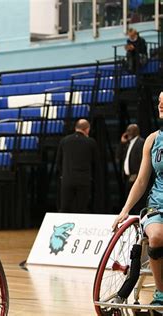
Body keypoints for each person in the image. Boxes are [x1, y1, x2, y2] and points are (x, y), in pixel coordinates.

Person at [113, 92, 163, 307]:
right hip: (157, 206)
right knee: (157, 237)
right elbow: (142, 180)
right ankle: (161, 293)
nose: (160, 105)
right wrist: (125, 209)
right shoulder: (153, 139)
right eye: (159, 101)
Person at [56, 119, 99, 213]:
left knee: (65, 208)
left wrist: (63, 175)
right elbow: (96, 162)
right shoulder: (91, 142)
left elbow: (58, 161)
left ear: (76, 128)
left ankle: (62, 227)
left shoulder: (64, 140)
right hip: (83, 181)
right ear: (87, 129)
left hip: (67, 179)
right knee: (81, 209)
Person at [117, 124, 145, 212]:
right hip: (127, 178)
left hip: (136, 177)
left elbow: (142, 161)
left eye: (129, 131)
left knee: (136, 204)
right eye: (127, 130)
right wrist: (122, 143)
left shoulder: (141, 142)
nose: (127, 133)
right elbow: (118, 156)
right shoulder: (128, 143)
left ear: (136, 131)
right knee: (129, 204)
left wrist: (137, 175)